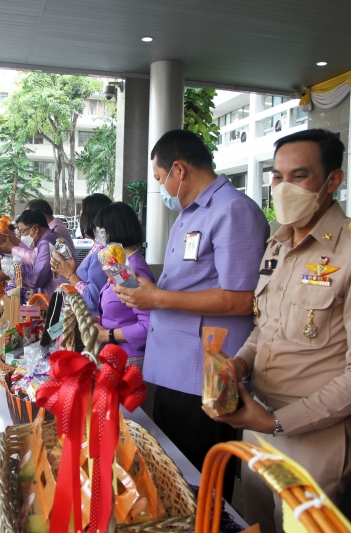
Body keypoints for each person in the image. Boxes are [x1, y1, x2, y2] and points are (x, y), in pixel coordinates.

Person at [210, 129, 351, 532]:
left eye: (299, 176)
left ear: (333, 181)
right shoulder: (277, 245)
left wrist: (279, 422)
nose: (282, 187)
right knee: (258, 522)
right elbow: (265, 326)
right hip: (257, 419)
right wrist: (237, 366)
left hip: (315, 433)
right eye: (276, 177)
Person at [113, 129, 268, 502]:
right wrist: (142, 293)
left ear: (178, 169)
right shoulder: (190, 213)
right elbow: (185, 283)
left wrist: (158, 298)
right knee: (173, 478)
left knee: (202, 489)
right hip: (173, 367)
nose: (162, 188)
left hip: (203, 375)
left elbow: (241, 299)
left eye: (159, 178)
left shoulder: (233, 210)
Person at [92, 202, 154, 363]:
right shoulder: (121, 264)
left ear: (110, 231)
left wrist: (107, 335)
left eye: (98, 230)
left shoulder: (133, 269)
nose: (97, 236)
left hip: (129, 360)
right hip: (116, 356)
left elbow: (147, 326)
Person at [51, 193, 112, 314]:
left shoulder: (102, 252)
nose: (80, 219)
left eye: (82, 214)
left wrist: (69, 275)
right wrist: (73, 271)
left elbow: (92, 299)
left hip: (92, 324)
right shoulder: (97, 245)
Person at [0, 209, 62, 295]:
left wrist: (12, 273)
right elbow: (35, 261)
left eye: (22, 231)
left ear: (35, 229)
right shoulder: (51, 237)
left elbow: (36, 279)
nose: (21, 235)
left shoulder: (46, 243)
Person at [11, 199, 75, 266]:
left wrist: (12, 248)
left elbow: (35, 259)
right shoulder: (51, 228)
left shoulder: (55, 230)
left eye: (29, 214)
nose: (26, 218)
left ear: (39, 213)